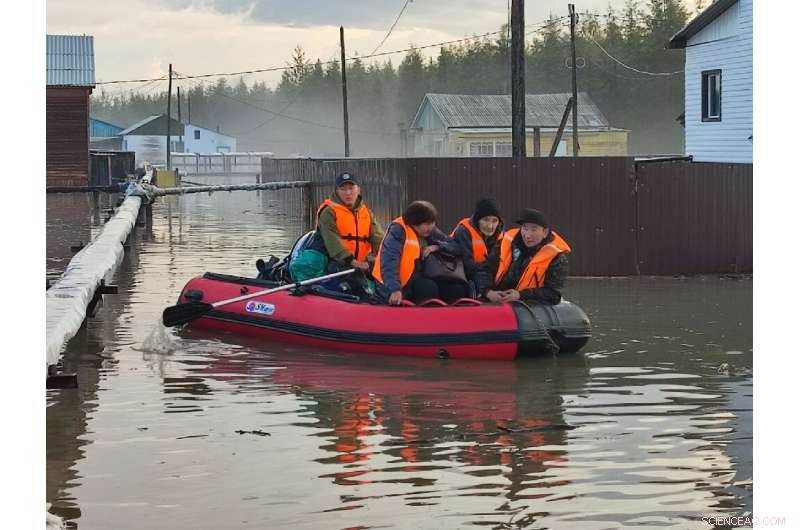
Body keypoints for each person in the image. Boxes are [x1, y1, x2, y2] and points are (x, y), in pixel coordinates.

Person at [373, 200, 470, 305]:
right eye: (426, 224)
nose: (430, 227)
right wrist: (394, 289)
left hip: (420, 277)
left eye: (432, 223)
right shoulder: (398, 230)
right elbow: (389, 261)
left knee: (455, 290)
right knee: (428, 289)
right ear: (414, 222)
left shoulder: (430, 231)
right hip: (392, 284)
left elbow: (457, 247)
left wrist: (438, 247)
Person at [303, 171, 384, 293]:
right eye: (343, 189)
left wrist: (379, 258)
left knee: (384, 284)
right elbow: (333, 242)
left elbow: (378, 237)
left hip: (363, 263)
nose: (348, 193)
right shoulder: (329, 212)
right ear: (337, 191)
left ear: (358, 190)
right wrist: (352, 261)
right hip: (337, 263)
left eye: (351, 188)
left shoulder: (366, 212)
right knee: (360, 288)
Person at [480, 208, 570, 305]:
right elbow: (485, 270)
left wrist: (520, 295)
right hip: (496, 298)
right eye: (525, 228)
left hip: (524, 305)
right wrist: (488, 292)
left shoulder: (556, 257)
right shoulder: (506, 243)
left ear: (545, 232)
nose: (527, 235)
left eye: (533, 229)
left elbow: (553, 294)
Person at [451, 197, 504, 271]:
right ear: (477, 220)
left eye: (494, 221)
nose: (490, 226)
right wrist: (489, 267)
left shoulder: (503, 236)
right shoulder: (463, 232)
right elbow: (466, 266)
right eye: (486, 220)